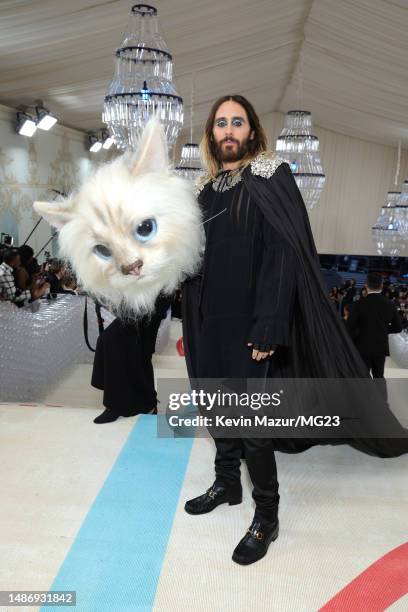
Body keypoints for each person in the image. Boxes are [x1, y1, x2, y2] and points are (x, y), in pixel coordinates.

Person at [181, 95, 408, 567]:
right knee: (215, 407)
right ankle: (227, 484)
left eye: (236, 122)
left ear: (252, 131)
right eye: (220, 123)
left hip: (250, 325)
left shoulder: (271, 176)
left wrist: (270, 324)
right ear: (210, 134)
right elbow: (191, 257)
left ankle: (267, 514)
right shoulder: (204, 190)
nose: (228, 130)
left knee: (254, 425)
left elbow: (284, 255)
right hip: (206, 323)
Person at [91, 294, 171, 424]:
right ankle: (117, 404)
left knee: (140, 352)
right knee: (112, 341)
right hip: (137, 297)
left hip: (152, 298)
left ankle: (146, 405)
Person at [346, 272, 403, 381]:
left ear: (366, 285)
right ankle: (381, 398)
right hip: (380, 346)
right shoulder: (390, 304)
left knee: (362, 377)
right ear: (381, 286)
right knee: (379, 376)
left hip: (362, 346)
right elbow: (398, 327)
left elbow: (349, 328)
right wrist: (383, 329)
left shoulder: (359, 304)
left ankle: (365, 398)